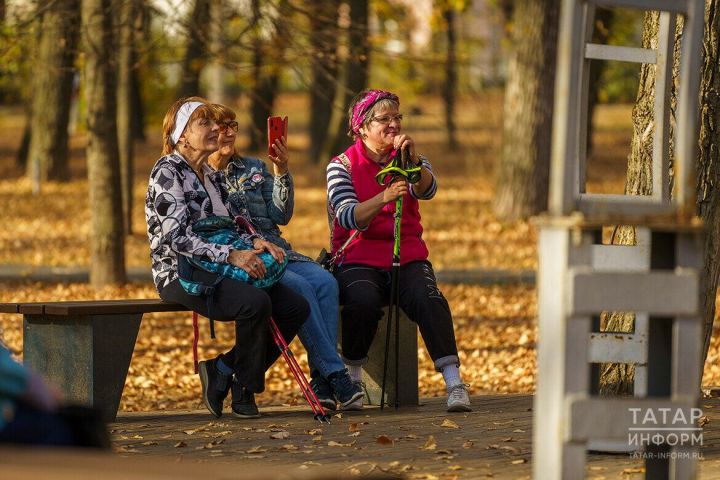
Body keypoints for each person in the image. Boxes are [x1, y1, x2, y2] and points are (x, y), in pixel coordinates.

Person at [145, 97, 309, 419]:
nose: (215, 128)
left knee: (294, 307)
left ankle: (223, 368)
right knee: (256, 303)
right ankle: (245, 391)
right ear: (181, 135)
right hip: (181, 272)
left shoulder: (211, 173)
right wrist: (232, 255)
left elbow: (234, 223)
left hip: (221, 264)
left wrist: (259, 243)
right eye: (203, 123)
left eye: (214, 123)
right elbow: (176, 238)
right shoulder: (167, 172)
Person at [207, 103, 363, 411]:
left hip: (279, 250)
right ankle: (335, 374)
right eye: (220, 127)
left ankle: (321, 381)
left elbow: (282, 214)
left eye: (232, 126)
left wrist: (281, 171)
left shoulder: (253, 168)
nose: (227, 133)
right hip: (245, 258)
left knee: (325, 281)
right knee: (299, 290)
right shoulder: (203, 178)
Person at [326, 89, 472, 412]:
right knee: (360, 301)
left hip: (407, 255)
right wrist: (383, 198)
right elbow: (348, 215)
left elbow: (429, 189)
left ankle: (454, 382)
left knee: (428, 298)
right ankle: (353, 379)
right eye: (384, 119)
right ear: (362, 127)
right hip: (358, 257)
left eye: (397, 118)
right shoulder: (342, 165)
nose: (393, 125)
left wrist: (414, 162)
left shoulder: (409, 156)